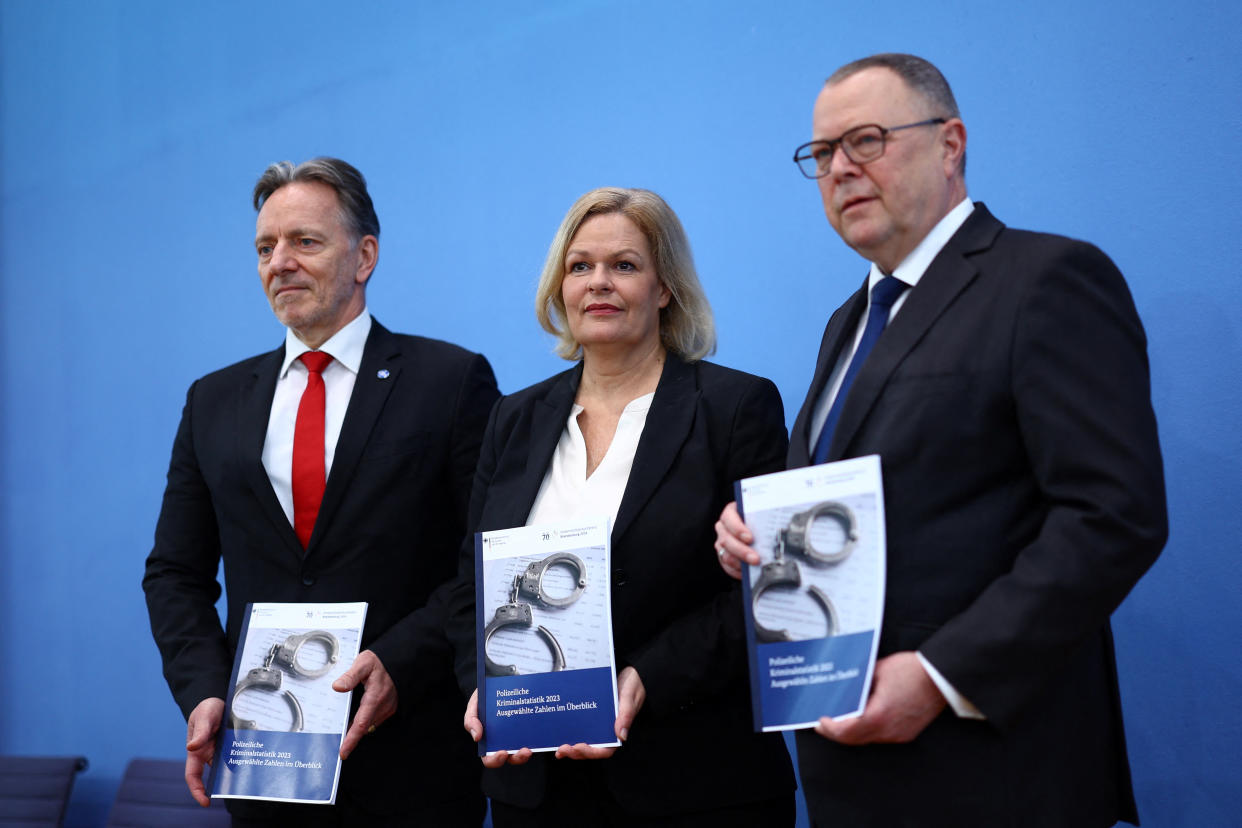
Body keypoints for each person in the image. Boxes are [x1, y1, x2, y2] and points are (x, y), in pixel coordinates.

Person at [715, 54, 1167, 827]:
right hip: (850, 766)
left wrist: (938, 675)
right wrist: (756, 539)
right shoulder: (848, 323)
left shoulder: (1046, 279)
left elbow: (1113, 516)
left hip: (996, 769)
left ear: (950, 144)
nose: (840, 170)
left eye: (865, 141)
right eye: (822, 155)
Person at [143, 157, 499, 826]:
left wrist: (400, 660)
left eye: (305, 241)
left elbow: (484, 556)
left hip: (412, 757)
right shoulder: (213, 400)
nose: (281, 262)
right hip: (265, 757)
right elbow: (174, 572)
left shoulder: (449, 381)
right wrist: (203, 692)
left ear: (364, 256)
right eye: (265, 247)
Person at [452, 187, 796, 826]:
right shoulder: (514, 418)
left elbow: (765, 589)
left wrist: (646, 677)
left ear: (665, 288)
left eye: (625, 265)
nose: (598, 283)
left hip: (695, 779)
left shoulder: (735, 408)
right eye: (580, 266)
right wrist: (483, 686)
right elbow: (470, 586)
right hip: (538, 786)